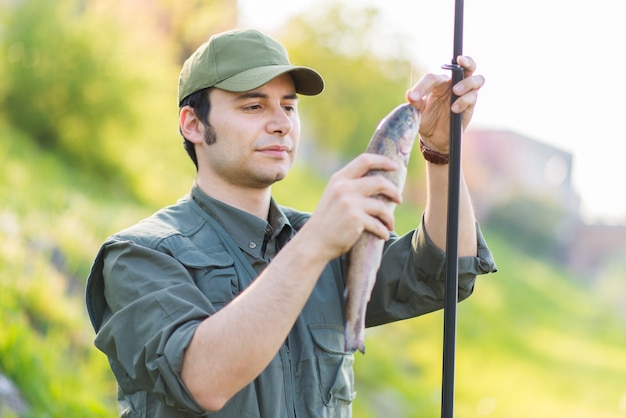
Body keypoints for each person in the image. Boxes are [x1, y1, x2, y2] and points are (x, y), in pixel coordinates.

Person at [86, 28, 496, 417]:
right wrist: (315, 244)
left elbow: (444, 268)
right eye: (253, 105)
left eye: (288, 106)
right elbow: (200, 379)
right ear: (193, 124)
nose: (281, 123)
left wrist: (442, 152)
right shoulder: (137, 255)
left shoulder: (323, 241)